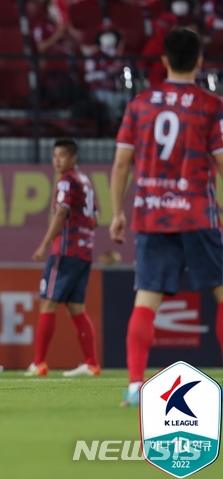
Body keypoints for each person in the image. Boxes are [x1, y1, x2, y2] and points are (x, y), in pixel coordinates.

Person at [111, 28, 223, 407]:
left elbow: (122, 163)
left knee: (146, 301)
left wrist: (115, 214)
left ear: (163, 62)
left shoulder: (140, 105)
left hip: (152, 214)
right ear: (199, 61)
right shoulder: (210, 105)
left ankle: (134, 386)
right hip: (197, 213)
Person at [27, 138, 101, 378]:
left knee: (47, 302)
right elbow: (96, 218)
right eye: (54, 156)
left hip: (66, 251)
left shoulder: (67, 181)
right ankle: (91, 363)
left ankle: (39, 363)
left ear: (73, 158)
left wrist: (43, 244)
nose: (57, 160)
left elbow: (61, 214)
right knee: (76, 308)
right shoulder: (86, 182)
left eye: (62, 155)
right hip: (84, 252)